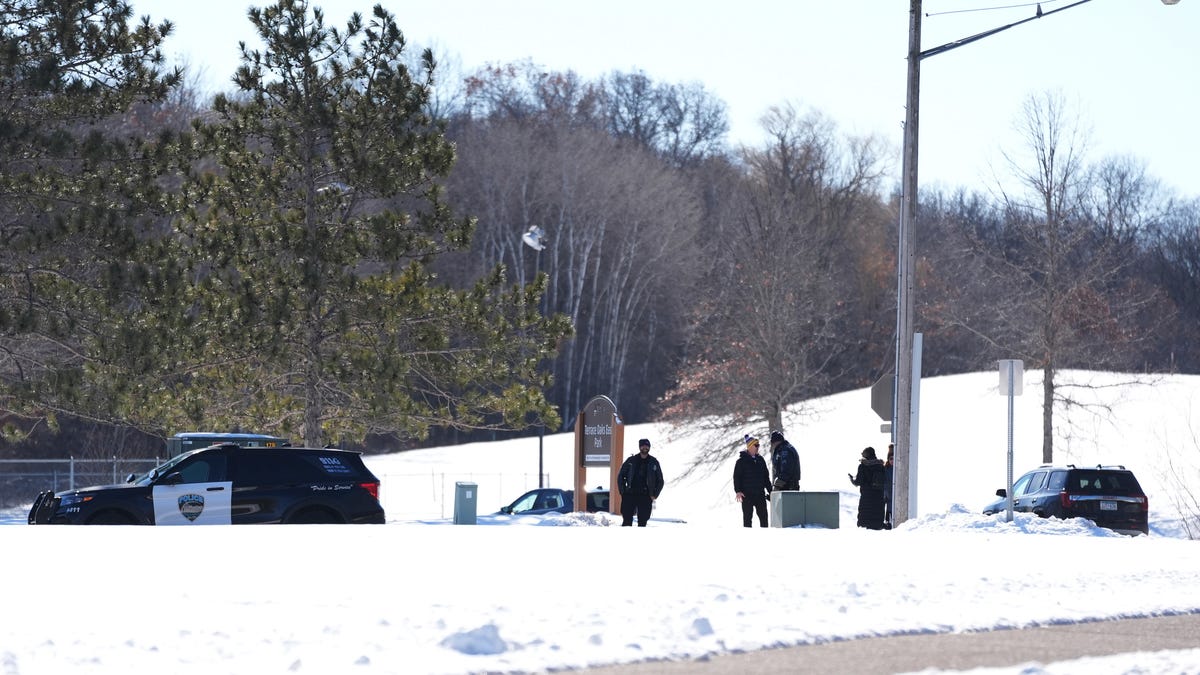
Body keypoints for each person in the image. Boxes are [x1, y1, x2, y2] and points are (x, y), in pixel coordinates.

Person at [617, 438, 664, 527]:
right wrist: (623, 491)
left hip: (645, 495)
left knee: (643, 522)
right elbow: (620, 475)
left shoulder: (654, 462)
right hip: (630, 494)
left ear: (649, 447)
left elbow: (660, 480)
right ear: (639, 447)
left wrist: (655, 494)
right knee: (626, 521)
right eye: (643, 445)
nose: (645, 447)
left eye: (647, 446)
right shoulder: (631, 460)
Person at [733, 435, 771, 527]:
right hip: (747, 495)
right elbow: (736, 477)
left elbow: (766, 477)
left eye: (758, 445)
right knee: (747, 520)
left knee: (764, 519)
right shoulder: (741, 461)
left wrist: (771, 491)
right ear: (749, 446)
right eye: (756, 445)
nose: (758, 447)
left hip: (760, 495)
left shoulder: (761, 460)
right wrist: (738, 491)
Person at [848, 446, 886, 530]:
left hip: (866, 497)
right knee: (876, 520)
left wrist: (852, 479)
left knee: (865, 522)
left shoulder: (863, 466)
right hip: (878, 498)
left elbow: (858, 482)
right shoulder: (881, 466)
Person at [882, 443, 895, 529]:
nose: (892, 461)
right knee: (888, 509)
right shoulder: (885, 469)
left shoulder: (897, 468)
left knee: (891, 508)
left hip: (894, 492)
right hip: (887, 493)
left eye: (893, 459)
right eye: (890, 459)